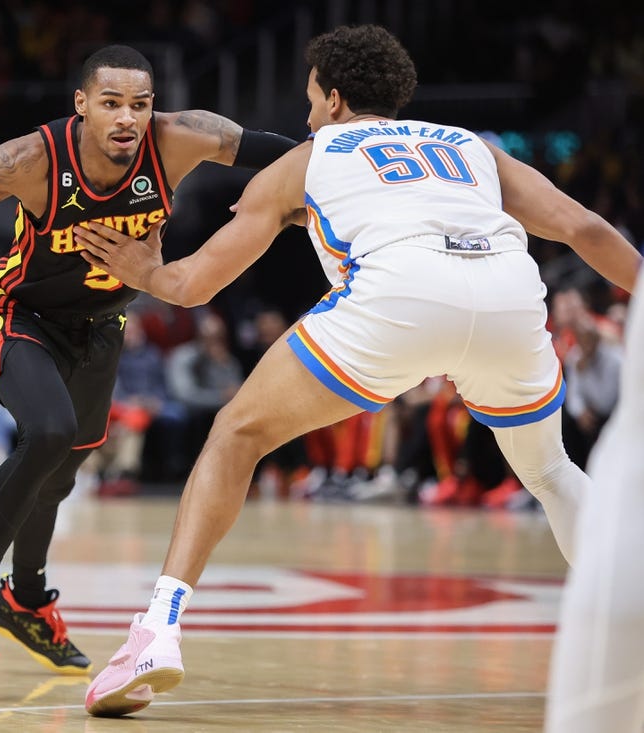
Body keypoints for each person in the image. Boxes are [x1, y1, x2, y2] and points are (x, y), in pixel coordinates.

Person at [74, 25, 642, 717]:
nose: (307, 114)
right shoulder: (470, 145)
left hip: (400, 296)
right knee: (551, 473)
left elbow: (195, 285)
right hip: (507, 292)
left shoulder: (307, 158)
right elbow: (583, 228)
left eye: (311, 99)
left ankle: (155, 631)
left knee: (236, 433)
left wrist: (147, 272)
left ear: (335, 99)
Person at [0, 44, 298, 686]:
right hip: (19, 317)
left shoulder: (181, 139)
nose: (128, 118)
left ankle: (26, 601)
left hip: (101, 327)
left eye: (140, 105)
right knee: (50, 433)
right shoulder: (30, 161)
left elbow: (299, 157)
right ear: (82, 105)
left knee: (59, 474)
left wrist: (370, 155)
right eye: (112, 103)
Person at [545, 266, 643, 733]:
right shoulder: (569, 349)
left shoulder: (610, 337)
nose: (564, 313)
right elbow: (579, 403)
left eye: (569, 306)